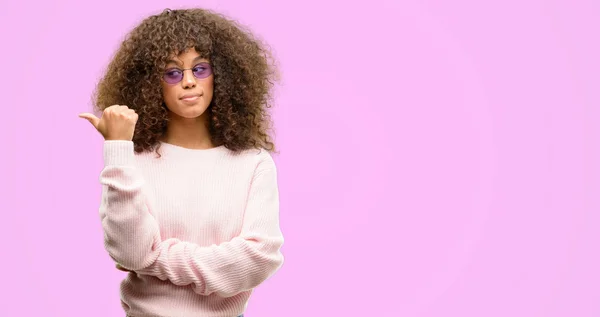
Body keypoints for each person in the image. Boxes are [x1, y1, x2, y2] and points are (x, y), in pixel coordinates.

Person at [78, 7, 284, 317]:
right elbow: (129, 251)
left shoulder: (252, 163)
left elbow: (259, 259)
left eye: (200, 69)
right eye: (172, 73)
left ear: (223, 75)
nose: (188, 81)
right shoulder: (131, 161)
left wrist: (155, 259)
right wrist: (118, 147)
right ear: (151, 83)